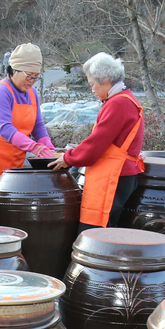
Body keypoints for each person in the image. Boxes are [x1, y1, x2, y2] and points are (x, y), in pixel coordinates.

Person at [49, 52, 145, 230]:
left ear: (106, 79)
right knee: (109, 228)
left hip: (114, 177)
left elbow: (96, 144)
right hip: (122, 175)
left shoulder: (118, 104)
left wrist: (68, 158)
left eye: (92, 84)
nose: (92, 89)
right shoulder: (126, 99)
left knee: (96, 232)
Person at [0, 43, 56, 222]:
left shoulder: (32, 93)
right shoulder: (0, 91)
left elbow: (38, 125)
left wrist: (48, 147)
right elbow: (5, 128)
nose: (31, 81)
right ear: (13, 70)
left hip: (15, 162)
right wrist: (34, 147)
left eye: (36, 77)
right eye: (28, 76)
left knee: (11, 212)